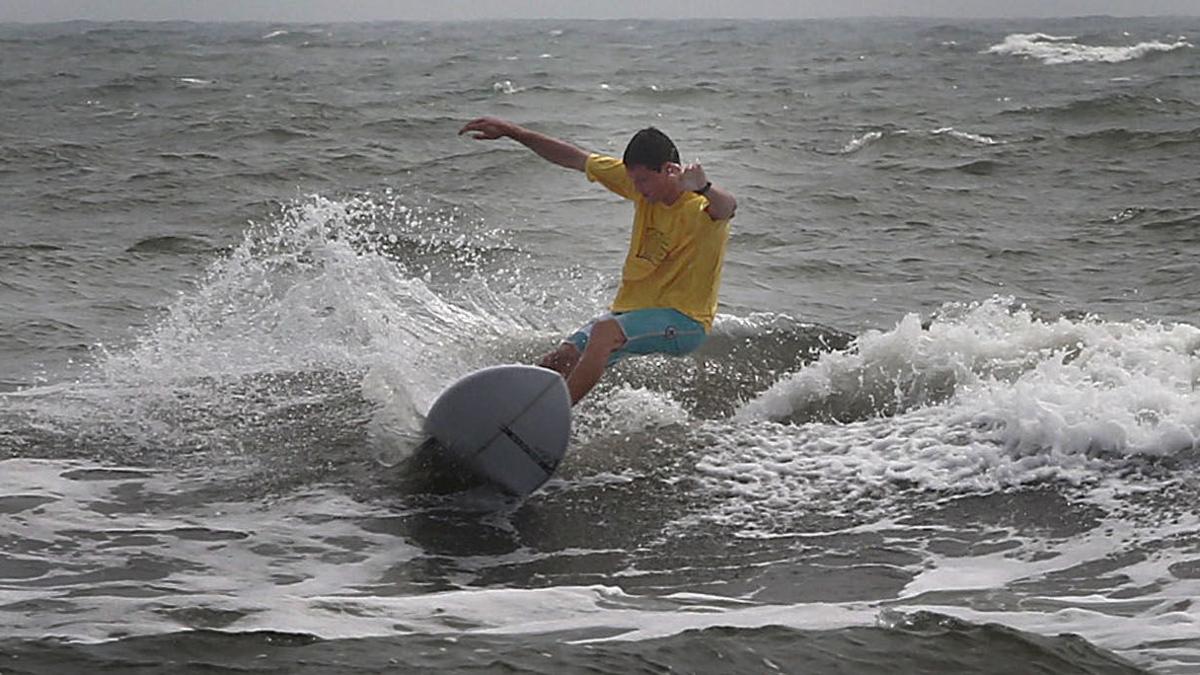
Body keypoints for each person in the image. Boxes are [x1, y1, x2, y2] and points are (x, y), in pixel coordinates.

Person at [458, 117, 737, 405]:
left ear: (669, 170)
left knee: (604, 333)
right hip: (632, 312)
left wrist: (704, 187)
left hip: (685, 320)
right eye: (633, 180)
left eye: (643, 181)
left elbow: (728, 206)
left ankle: (551, 416)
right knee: (563, 357)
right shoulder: (641, 188)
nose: (637, 189)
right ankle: (505, 411)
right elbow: (575, 158)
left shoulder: (699, 206)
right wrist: (512, 132)